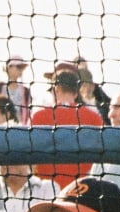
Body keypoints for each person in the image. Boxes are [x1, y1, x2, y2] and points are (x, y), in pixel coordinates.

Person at [29, 62, 106, 191]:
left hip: (47, 190)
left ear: (56, 89)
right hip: (83, 190)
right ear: (76, 93)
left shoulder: (39, 116)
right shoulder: (93, 117)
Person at [0, 55, 33, 124]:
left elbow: (28, 113)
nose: (21, 70)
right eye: (18, 67)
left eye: (22, 68)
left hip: (19, 128)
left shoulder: (26, 91)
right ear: (9, 68)